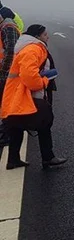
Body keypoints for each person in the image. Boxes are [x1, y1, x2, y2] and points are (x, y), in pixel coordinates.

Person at [1, 24, 67, 170]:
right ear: (37, 36)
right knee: (44, 121)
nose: (47, 36)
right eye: (45, 34)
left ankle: (13, 159)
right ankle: (48, 158)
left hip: (17, 94)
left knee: (16, 126)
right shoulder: (33, 49)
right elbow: (30, 78)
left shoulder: (29, 47)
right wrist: (44, 81)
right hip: (24, 95)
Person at [0, 7, 21, 101]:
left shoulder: (8, 28)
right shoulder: (4, 27)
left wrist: (3, 73)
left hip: (7, 74)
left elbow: (11, 53)